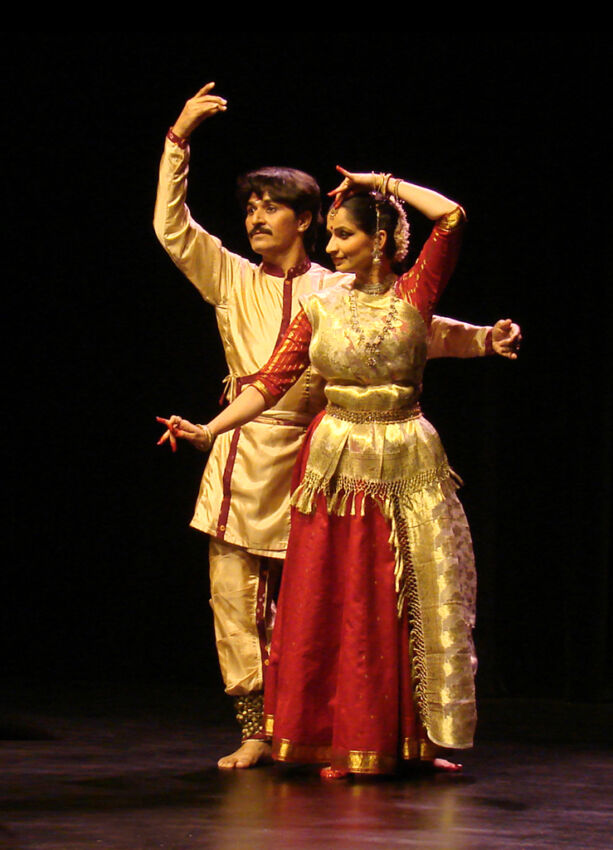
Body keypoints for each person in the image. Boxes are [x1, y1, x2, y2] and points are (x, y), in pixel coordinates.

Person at [154, 83, 521, 770]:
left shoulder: (337, 287)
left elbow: (412, 330)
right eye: (249, 210)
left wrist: (479, 339)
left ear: (312, 220)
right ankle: (264, 728)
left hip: (342, 453)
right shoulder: (240, 281)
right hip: (276, 450)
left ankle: (378, 732)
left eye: (271, 209)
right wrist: (177, 139)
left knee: (369, 598)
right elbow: (262, 373)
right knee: (245, 599)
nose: (255, 220)